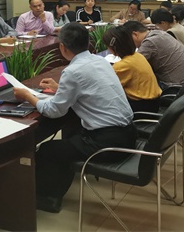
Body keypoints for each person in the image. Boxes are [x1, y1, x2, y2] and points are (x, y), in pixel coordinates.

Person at [12, 23, 135, 213]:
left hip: (108, 143)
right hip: (128, 133)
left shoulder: (72, 71)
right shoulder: (99, 61)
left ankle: (47, 199)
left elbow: (54, 111)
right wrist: (60, 87)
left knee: (48, 150)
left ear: (62, 47)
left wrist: (28, 96)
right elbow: (87, 89)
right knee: (70, 130)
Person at [121, 21, 184, 89]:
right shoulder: (159, 33)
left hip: (176, 87)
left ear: (135, 34)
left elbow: (133, 65)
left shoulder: (150, 42)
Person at [102, 26, 162, 112]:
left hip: (142, 106)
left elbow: (109, 89)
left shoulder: (123, 65)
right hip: (154, 102)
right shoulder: (138, 55)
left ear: (113, 47)